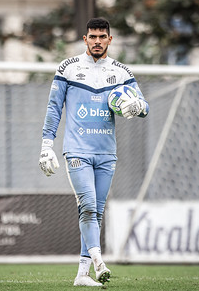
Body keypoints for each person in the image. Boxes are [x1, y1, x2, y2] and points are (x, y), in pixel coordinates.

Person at [39, 17, 149, 287]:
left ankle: (81, 275)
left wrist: (135, 107)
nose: (97, 41)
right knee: (87, 206)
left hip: (106, 153)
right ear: (84, 39)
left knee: (95, 213)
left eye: (102, 37)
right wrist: (46, 145)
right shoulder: (67, 68)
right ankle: (99, 263)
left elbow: (144, 106)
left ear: (110, 40)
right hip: (77, 150)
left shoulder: (122, 73)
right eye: (92, 37)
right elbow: (54, 108)